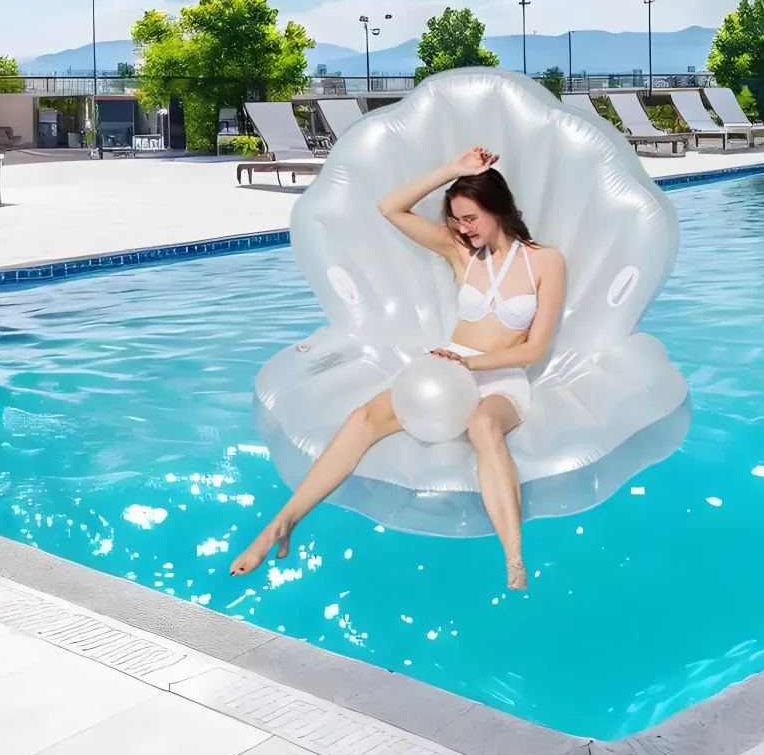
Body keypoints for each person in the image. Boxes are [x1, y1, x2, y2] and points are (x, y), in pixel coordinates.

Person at [231, 147, 566, 590]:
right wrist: (452, 169)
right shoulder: (460, 253)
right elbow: (390, 207)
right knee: (363, 417)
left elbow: (533, 350)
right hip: (445, 371)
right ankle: (281, 523)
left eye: (472, 219)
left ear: (498, 209)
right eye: (458, 220)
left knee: (484, 426)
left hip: (499, 375)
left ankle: (514, 558)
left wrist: (472, 363)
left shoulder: (546, 261)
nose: (464, 229)